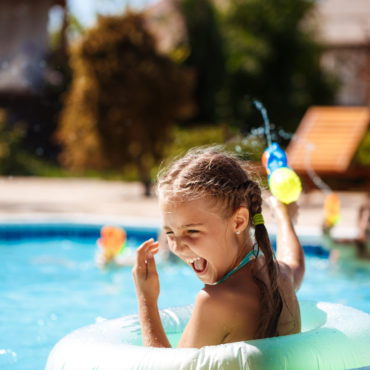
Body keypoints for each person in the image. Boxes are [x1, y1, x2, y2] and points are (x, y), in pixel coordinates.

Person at [132, 147, 305, 348]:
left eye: (192, 231)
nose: (177, 247)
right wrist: (283, 214)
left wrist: (147, 300)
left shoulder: (214, 302)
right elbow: (295, 264)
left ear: (239, 221)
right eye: (170, 233)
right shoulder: (278, 276)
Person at [322, 195, 370, 262]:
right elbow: (328, 243)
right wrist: (328, 224)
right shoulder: (349, 247)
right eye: (369, 220)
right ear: (359, 222)